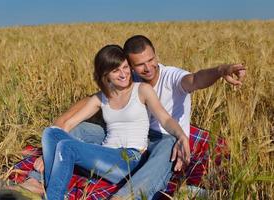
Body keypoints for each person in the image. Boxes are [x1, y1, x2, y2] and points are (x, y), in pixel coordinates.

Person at [32, 35, 246, 199]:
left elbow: (195, 80)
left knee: (163, 155)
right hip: (125, 137)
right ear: (131, 65)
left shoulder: (169, 78)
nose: (148, 67)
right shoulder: (126, 79)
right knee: (67, 132)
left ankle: (127, 196)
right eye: (139, 65)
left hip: (164, 138)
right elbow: (95, 98)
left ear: (156, 55)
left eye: (151, 60)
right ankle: (34, 182)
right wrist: (58, 132)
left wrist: (220, 71)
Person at [42, 44, 190, 200]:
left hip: (129, 159)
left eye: (125, 67)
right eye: (116, 71)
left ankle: (53, 197)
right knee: (50, 132)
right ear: (106, 76)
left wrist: (181, 136)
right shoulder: (101, 98)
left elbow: (165, 118)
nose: (123, 74)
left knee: (66, 147)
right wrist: (48, 153)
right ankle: (49, 188)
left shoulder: (142, 90)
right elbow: (69, 124)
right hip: (105, 154)